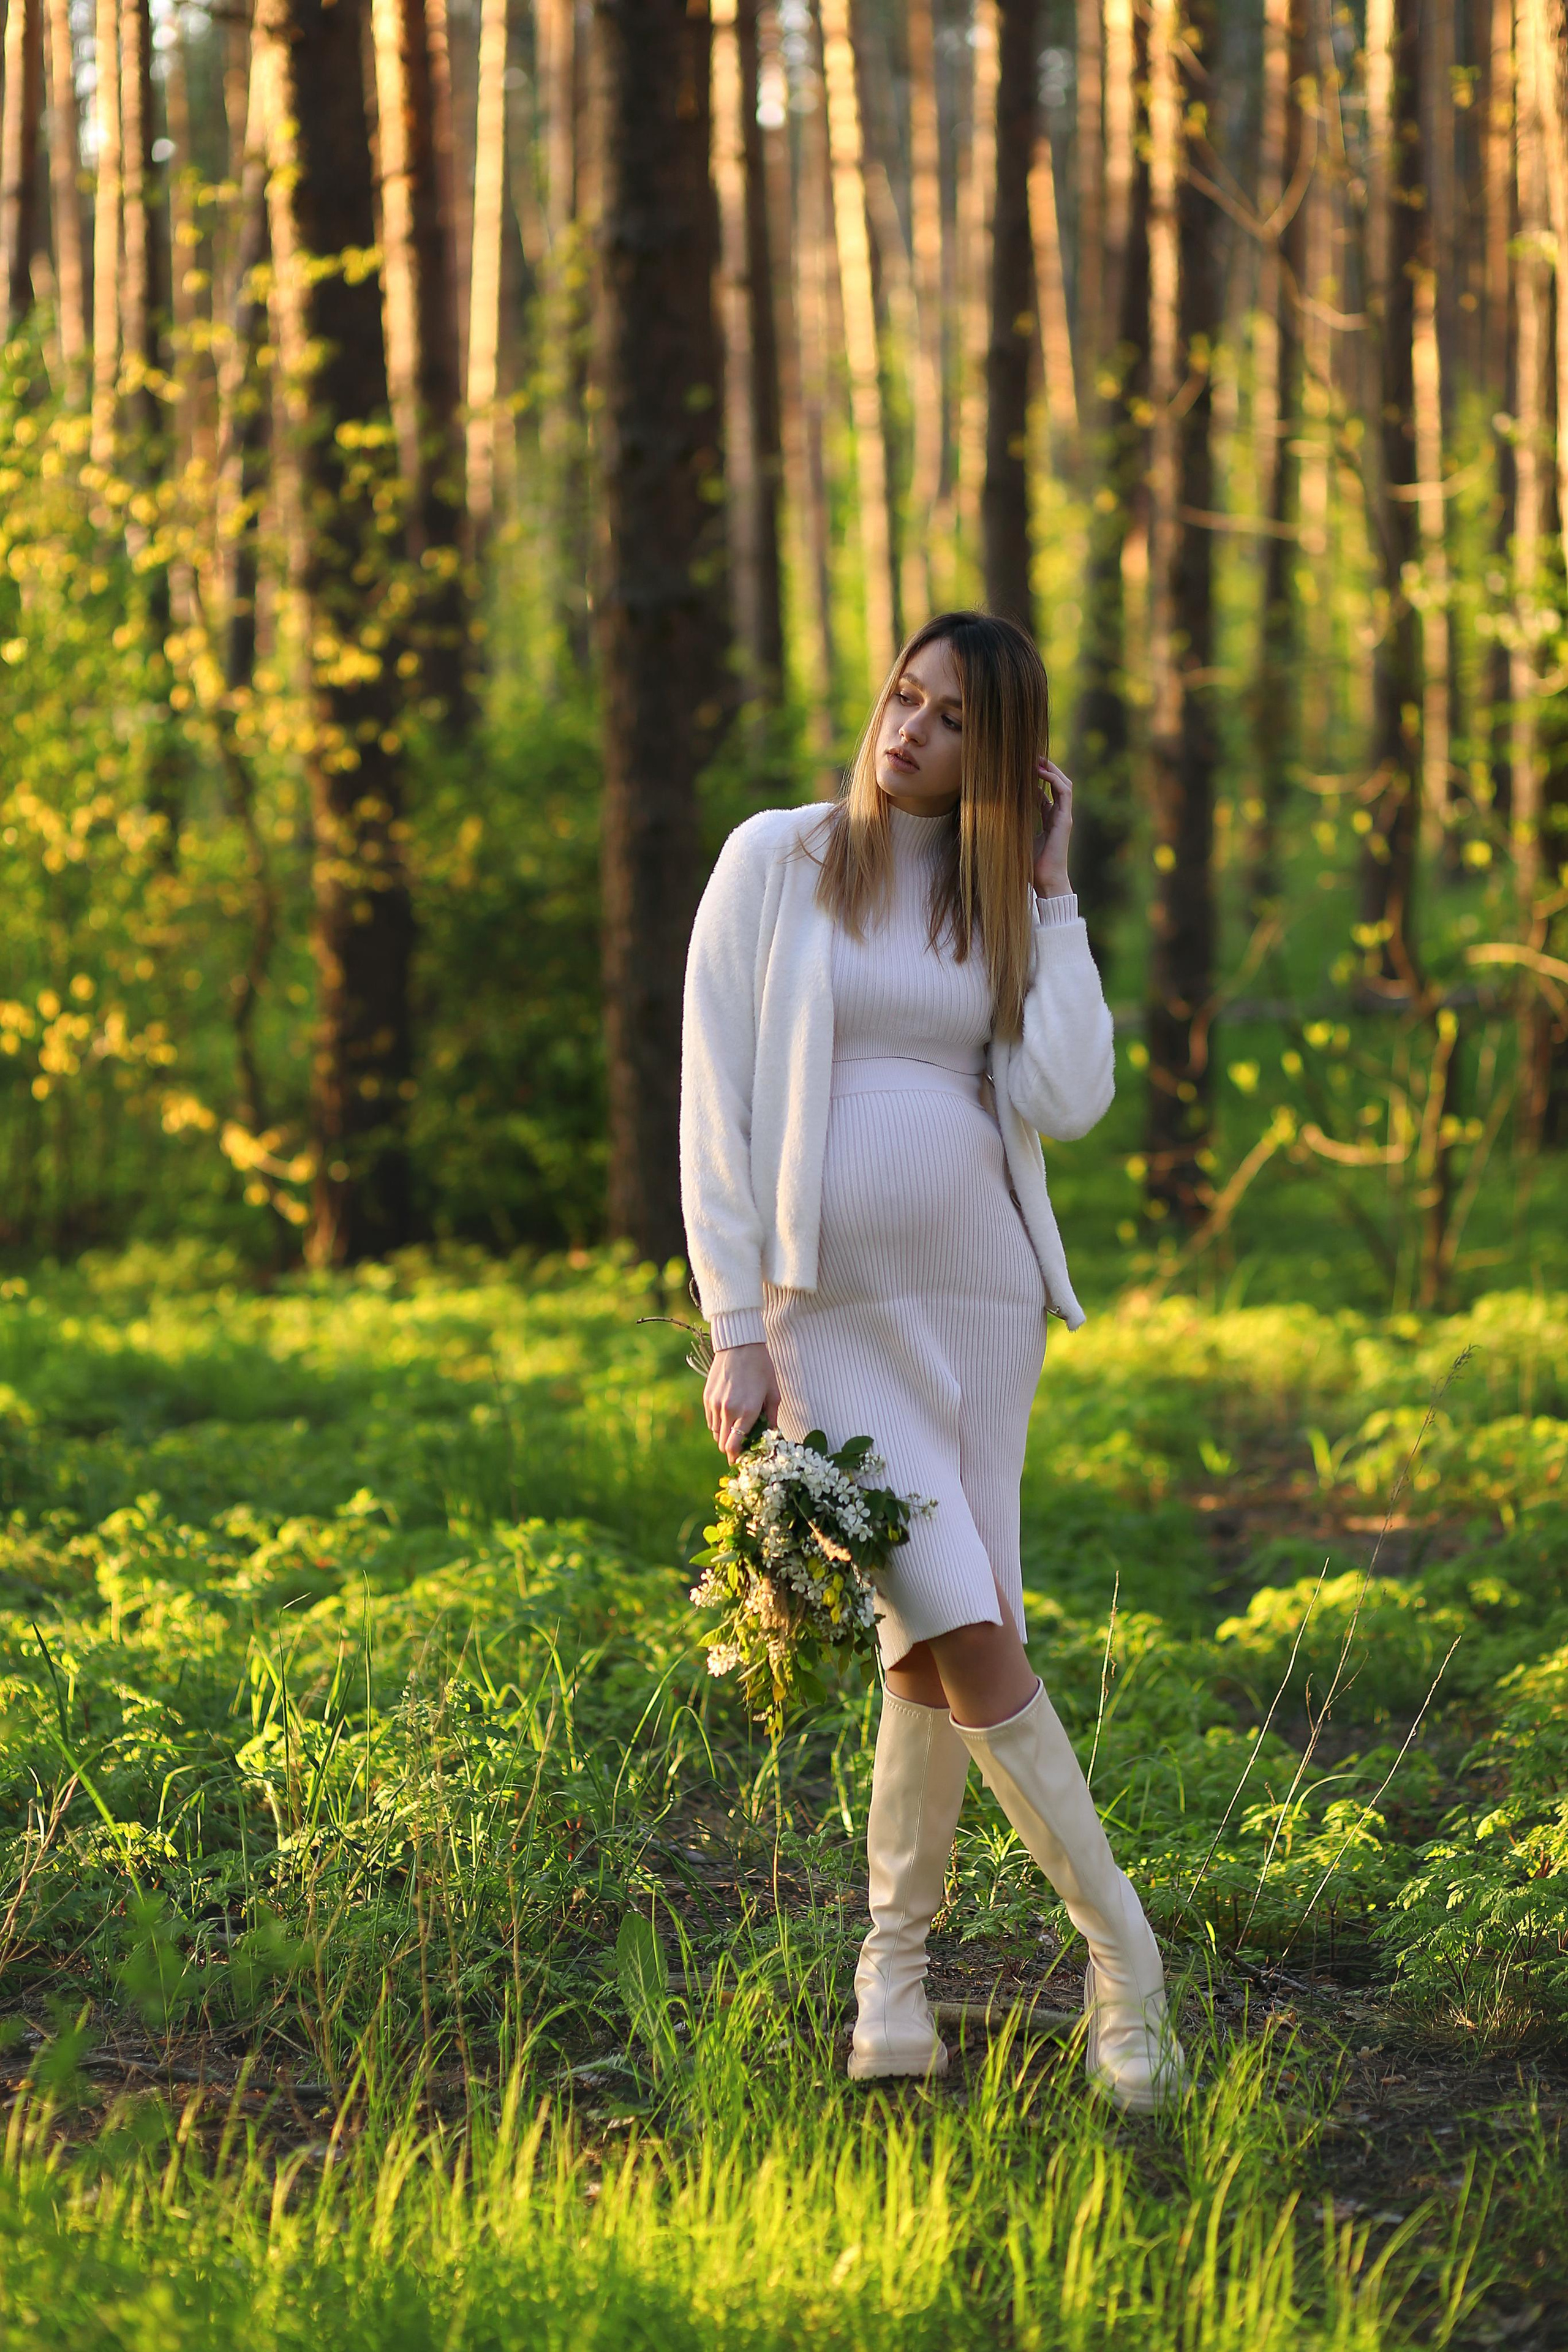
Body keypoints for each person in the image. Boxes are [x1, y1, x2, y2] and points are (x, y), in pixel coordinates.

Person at [679, 610, 1184, 2112]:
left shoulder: (997, 899)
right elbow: (716, 1102)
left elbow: (1068, 1098)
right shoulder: (772, 859)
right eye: (903, 696)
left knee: (936, 1634)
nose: (908, 730)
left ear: (1003, 756)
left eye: (953, 718)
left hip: (976, 1295)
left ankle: (891, 1984)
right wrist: (731, 1328)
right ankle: (1126, 1963)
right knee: (955, 1616)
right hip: (823, 1307)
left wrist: (1052, 895)